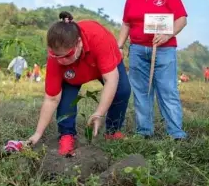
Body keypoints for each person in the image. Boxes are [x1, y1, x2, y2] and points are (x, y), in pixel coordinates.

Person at [27, 12, 131, 156]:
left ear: (79, 43)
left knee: (122, 91)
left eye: (67, 55)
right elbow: (51, 99)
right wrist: (38, 133)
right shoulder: (56, 58)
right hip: (74, 74)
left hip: (103, 61)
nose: (61, 61)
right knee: (66, 101)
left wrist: (99, 113)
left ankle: (112, 132)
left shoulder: (98, 38)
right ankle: (67, 134)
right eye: (57, 56)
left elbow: (111, 80)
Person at [117, 0, 187, 140]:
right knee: (141, 91)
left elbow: (181, 19)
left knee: (167, 89)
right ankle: (144, 131)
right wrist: (119, 46)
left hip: (164, 50)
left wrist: (167, 35)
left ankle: (176, 132)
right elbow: (126, 23)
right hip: (138, 50)